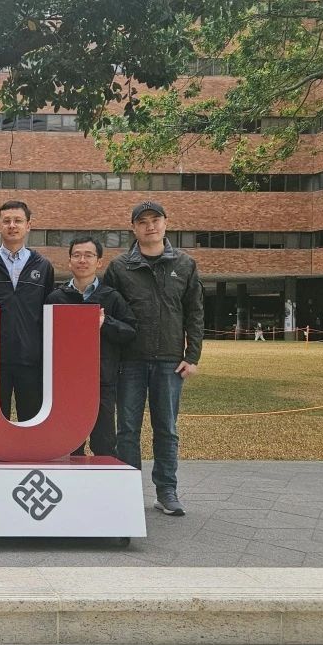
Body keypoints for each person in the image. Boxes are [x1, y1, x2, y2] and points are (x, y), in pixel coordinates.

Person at [104, 201, 204, 517]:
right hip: (130, 361)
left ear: (165, 223)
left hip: (170, 362)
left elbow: (195, 312)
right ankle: (128, 491)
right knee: (127, 429)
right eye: (143, 221)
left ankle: (167, 491)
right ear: (133, 228)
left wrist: (192, 356)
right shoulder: (119, 267)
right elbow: (108, 315)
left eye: (155, 220)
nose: (150, 226)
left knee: (166, 429)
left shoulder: (185, 265)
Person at [44, 236, 137, 457]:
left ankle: (104, 480)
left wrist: (106, 323)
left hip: (102, 381)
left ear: (99, 262)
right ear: (69, 261)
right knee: (69, 444)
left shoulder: (111, 297)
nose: (82, 260)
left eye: (88, 255)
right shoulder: (56, 298)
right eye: (76, 255)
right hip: (65, 384)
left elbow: (130, 332)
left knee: (104, 443)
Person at [0, 200, 54, 423]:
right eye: (6, 221)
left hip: (31, 358)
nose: (12, 225)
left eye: (18, 220)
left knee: (32, 423)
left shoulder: (43, 266)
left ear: (28, 226)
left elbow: (48, 311)